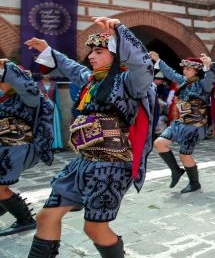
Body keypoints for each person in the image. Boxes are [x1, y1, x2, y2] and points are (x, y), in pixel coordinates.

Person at [24, 17, 156, 258]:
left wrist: (119, 30)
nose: (91, 56)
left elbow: (141, 64)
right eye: (91, 52)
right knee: (46, 216)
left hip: (111, 165)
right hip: (82, 162)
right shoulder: (91, 81)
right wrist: (47, 50)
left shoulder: (131, 82)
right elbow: (71, 67)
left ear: (116, 56)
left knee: (94, 228)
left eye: (99, 51)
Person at [150, 51, 215, 193]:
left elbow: (211, 78)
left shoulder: (203, 85)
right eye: (184, 68)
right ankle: (176, 171)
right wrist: (158, 60)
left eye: (188, 69)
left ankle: (194, 183)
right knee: (159, 143)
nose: (184, 71)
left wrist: (208, 66)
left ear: (196, 70)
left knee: (184, 154)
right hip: (181, 122)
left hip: (195, 126)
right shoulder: (183, 81)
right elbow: (170, 73)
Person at [0, 60, 54, 237]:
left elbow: (26, 85)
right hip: (5, 148)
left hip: (18, 148)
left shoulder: (28, 97)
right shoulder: (4, 97)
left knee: (0, 186)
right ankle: (6, 206)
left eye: (2, 78)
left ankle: (25, 220)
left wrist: (9, 66)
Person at [36, 75, 64, 150]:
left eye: (48, 73)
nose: (46, 75)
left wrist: (58, 107)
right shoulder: (36, 84)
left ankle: (56, 145)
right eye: (44, 73)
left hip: (53, 108)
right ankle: (45, 146)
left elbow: (57, 97)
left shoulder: (54, 83)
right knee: (44, 126)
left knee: (54, 126)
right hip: (42, 108)